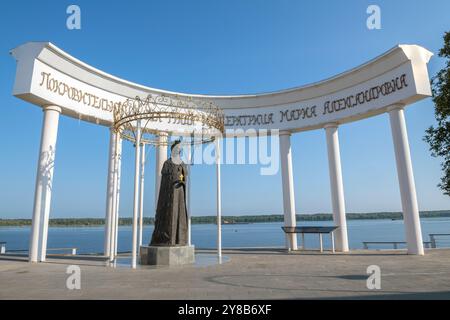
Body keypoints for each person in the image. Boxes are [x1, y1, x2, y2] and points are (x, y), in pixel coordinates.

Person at [150, 139, 188, 246]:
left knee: (179, 215)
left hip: (179, 192)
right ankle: (167, 239)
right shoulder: (167, 163)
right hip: (169, 194)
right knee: (170, 214)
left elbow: (185, 177)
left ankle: (179, 239)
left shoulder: (183, 164)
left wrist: (182, 180)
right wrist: (173, 179)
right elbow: (164, 179)